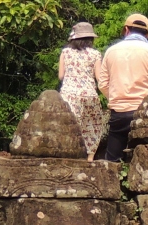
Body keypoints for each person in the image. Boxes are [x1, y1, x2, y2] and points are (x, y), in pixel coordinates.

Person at [98, 13, 148, 162]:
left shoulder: (111, 51)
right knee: (146, 161)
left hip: (119, 112)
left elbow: (102, 84)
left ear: (126, 30)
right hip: (144, 111)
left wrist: (116, 98)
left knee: (113, 162)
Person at [58, 22, 105, 160]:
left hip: (69, 95)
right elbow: (99, 77)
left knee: (69, 127)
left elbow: (61, 75)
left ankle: (70, 157)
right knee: (92, 125)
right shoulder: (95, 54)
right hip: (89, 94)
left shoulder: (65, 52)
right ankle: (90, 158)